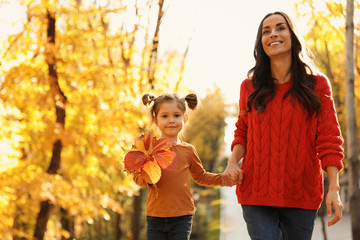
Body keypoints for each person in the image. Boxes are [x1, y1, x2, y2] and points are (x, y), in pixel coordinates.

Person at [223, 11, 344, 240]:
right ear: (261, 42)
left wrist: (334, 189)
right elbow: (243, 132)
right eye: (266, 31)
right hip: (256, 193)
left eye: (280, 28)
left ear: (292, 35)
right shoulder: (249, 87)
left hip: (302, 192)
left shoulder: (317, 85)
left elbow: (329, 138)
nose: (273, 34)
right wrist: (232, 163)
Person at [133, 92, 237, 240]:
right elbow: (137, 176)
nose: (171, 120)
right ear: (155, 120)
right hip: (155, 216)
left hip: (182, 216)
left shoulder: (188, 151)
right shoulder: (149, 149)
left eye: (176, 115)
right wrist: (147, 179)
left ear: (185, 118)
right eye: (165, 116)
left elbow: (201, 176)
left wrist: (223, 179)